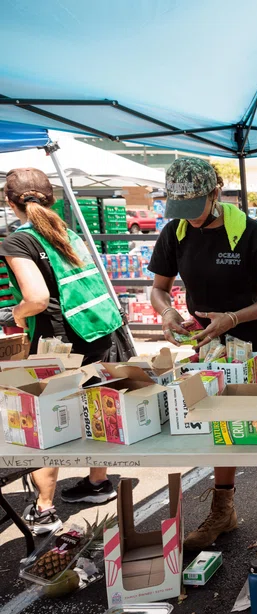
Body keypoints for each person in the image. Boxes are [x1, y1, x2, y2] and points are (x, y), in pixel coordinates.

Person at [149, 158, 257, 561]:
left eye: (193, 208)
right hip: (206, 350)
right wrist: (167, 312)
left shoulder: (250, 233)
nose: (188, 220)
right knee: (219, 428)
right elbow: (158, 288)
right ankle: (222, 511)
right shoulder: (175, 233)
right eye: (180, 210)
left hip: (254, 348)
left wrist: (234, 318)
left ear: (215, 193)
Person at [1, 168, 124, 534]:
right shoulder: (64, 230)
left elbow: (36, 298)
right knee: (97, 407)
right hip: (98, 330)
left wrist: (14, 313)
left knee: (43, 420)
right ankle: (98, 484)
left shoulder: (18, 240)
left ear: (9, 201)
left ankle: (43, 507)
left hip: (57, 342)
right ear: (52, 198)